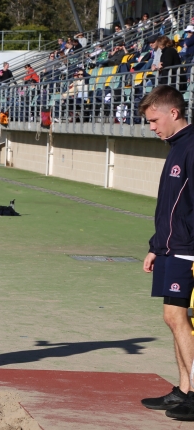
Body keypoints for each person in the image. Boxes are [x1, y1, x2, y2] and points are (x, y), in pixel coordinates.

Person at [140, 86, 194, 420]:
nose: (151, 127)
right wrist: (156, 246)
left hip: (188, 250)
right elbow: (171, 208)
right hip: (171, 248)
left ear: (173, 112)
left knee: (179, 319)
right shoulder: (175, 147)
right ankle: (184, 390)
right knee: (174, 319)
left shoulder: (192, 147)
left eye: (154, 119)